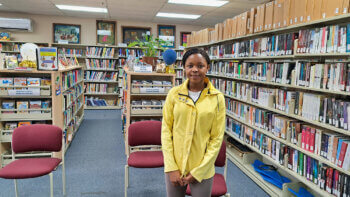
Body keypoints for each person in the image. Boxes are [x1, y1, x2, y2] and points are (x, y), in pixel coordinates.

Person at [161, 48, 226, 197]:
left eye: (200, 66)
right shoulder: (174, 94)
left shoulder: (217, 98)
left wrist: (200, 171)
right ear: (184, 68)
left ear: (207, 67)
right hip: (175, 165)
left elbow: (216, 138)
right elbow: (166, 131)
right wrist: (171, 167)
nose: (195, 70)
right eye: (190, 66)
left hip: (202, 168)